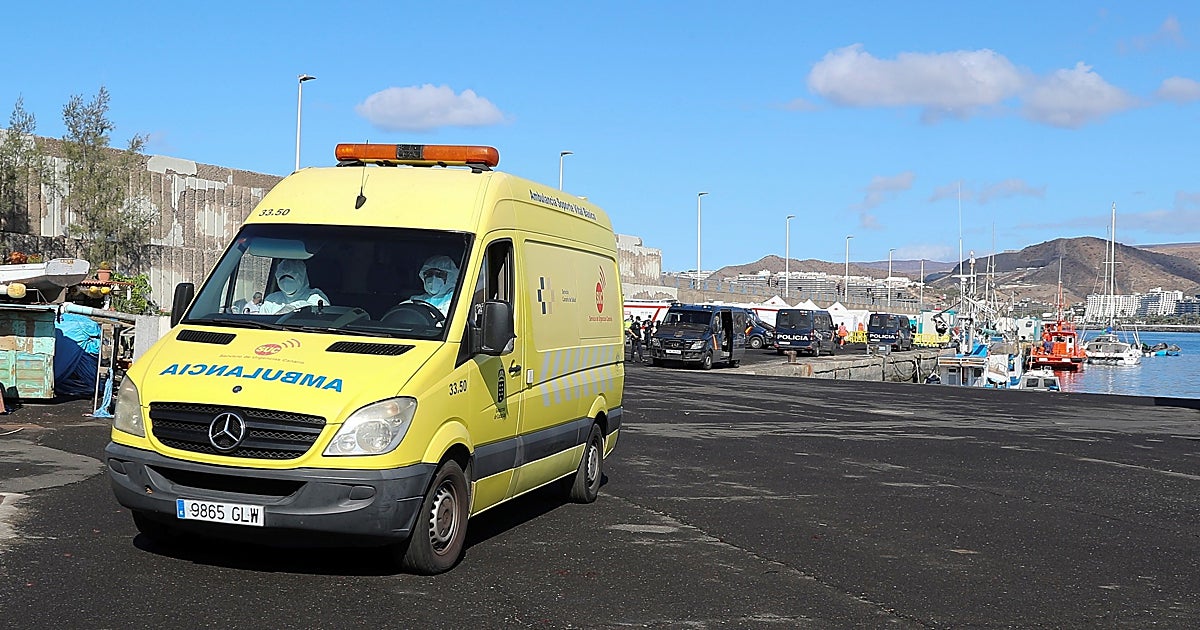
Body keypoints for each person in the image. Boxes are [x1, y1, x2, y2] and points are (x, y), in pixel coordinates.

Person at [260, 259, 331, 314]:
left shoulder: (316, 298)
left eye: (290, 277)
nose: (285, 282)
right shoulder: (271, 300)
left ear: (302, 277)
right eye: (282, 278)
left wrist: (295, 309)